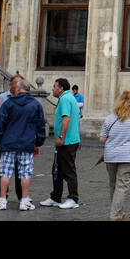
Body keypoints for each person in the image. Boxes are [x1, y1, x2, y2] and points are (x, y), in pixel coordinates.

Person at [0, 75, 47, 211]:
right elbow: (41, 126)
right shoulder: (35, 104)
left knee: (5, 172)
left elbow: (0, 123)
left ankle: (2, 200)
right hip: (26, 143)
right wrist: (38, 143)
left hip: (8, 143)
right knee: (25, 173)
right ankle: (24, 200)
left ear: (18, 89)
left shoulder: (8, 103)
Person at [100, 90, 130, 220]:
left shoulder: (110, 118)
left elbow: (102, 139)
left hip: (111, 155)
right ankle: (114, 215)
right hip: (128, 156)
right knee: (122, 186)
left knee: (114, 185)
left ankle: (119, 213)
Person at [42, 78, 81, 209]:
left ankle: (73, 199)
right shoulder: (69, 97)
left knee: (68, 170)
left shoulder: (65, 99)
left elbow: (66, 119)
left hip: (67, 141)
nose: (52, 89)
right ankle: (56, 197)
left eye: (54, 86)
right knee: (57, 170)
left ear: (61, 88)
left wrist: (61, 137)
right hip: (68, 140)